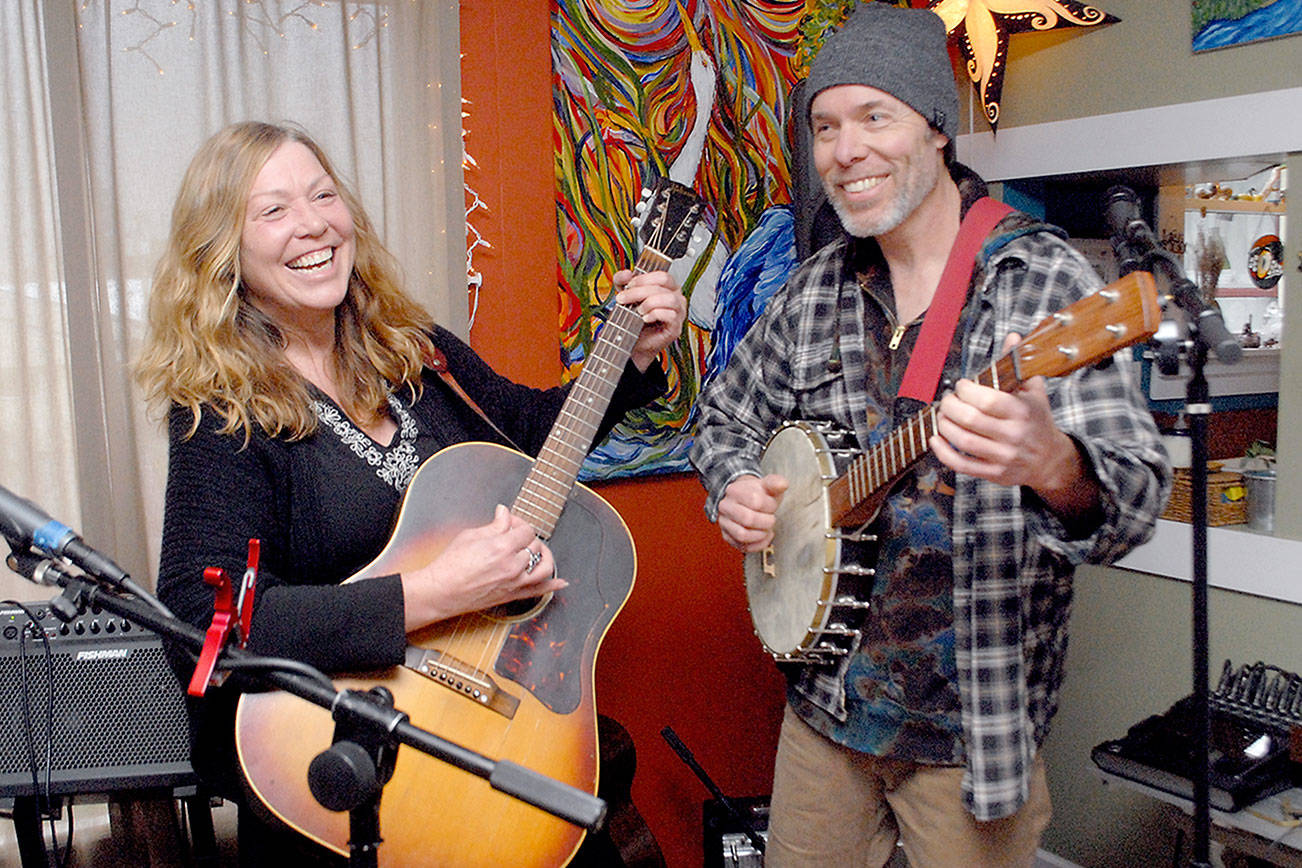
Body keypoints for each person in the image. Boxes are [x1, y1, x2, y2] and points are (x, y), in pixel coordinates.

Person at [689, 5, 1171, 867]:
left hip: (970, 739)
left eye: (875, 117)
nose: (846, 150)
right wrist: (734, 485)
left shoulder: (1040, 281)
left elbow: (1134, 502)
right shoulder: (815, 289)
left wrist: (1055, 464)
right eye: (826, 127)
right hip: (826, 713)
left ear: (937, 127)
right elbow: (723, 415)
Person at [135, 120, 685, 865]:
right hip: (350, 759)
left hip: (491, 727)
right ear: (222, 250)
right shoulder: (221, 409)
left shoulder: (414, 350)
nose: (312, 224)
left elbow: (528, 432)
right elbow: (203, 618)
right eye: (272, 210)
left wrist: (631, 356)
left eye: (323, 195)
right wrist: (434, 592)